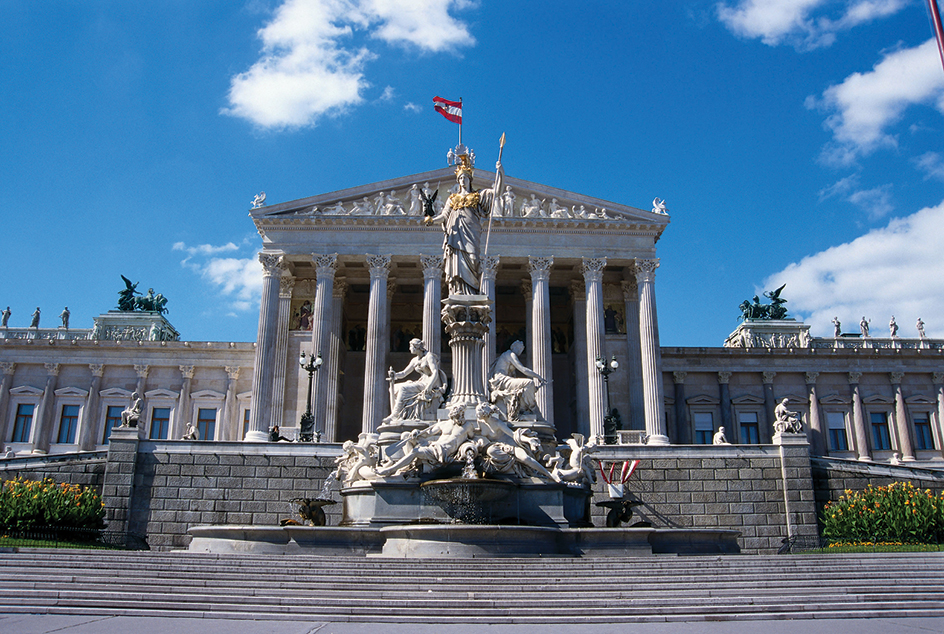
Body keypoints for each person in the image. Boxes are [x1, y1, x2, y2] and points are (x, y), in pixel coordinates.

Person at [424, 153, 503, 296]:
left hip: (472, 232)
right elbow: (444, 216)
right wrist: (431, 220)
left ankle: (473, 292)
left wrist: (501, 173)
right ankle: (458, 290)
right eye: (460, 178)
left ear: (470, 179)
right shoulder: (452, 199)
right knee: (457, 262)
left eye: (465, 177)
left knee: (473, 259)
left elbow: (497, 192)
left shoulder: (477, 195)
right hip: (456, 236)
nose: (462, 180)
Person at [376, 405, 475, 477]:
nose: (460, 417)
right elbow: (428, 433)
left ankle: (390, 470)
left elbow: (473, 437)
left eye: (461, 415)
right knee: (406, 435)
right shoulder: (444, 424)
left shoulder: (467, 426)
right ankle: (411, 465)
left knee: (415, 452)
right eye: (457, 415)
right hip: (434, 446)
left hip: (442, 452)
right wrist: (417, 432)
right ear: (452, 415)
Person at [383, 338, 445, 424]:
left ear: (416, 347)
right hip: (422, 382)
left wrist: (430, 385)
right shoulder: (414, 360)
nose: (409, 349)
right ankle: (399, 413)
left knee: (403, 388)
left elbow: (435, 372)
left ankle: (395, 415)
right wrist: (395, 375)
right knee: (394, 388)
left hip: (430, 382)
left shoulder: (429, 356)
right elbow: (404, 373)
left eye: (410, 346)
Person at [488, 340, 546, 421]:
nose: (520, 351)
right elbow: (523, 370)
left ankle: (524, 408)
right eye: (519, 348)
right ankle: (531, 408)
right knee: (529, 382)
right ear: (513, 347)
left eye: (521, 349)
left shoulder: (507, 355)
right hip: (501, 381)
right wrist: (538, 377)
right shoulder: (510, 354)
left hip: (504, 380)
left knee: (527, 387)